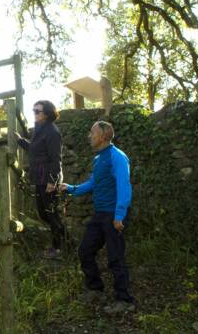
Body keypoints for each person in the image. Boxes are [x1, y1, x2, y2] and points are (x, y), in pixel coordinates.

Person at [59, 121, 135, 314]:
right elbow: (94, 182)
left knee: (115, 257)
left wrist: (119, 215)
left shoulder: (117, 157)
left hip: (113, 216)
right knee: (85, 251)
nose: (89, 136)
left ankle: (124, 300)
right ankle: (95, 289)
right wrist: (71, 189)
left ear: (103, 136)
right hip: (99, 214)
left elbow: (124, 186)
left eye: (92, 133)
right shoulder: (98, 158)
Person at [17, 100, 69, 259]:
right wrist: (20, 140)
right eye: (33, 110)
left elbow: (56, 159)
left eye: (37, 111)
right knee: (44, 214)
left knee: (50, 214)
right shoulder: (40, 130)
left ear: (46, 114)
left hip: (48, 180)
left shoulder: (52, 132)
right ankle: (67, 242)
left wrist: (53, 181)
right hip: (40, 178)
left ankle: (58, 249)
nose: (34, 113)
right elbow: (35, 150)